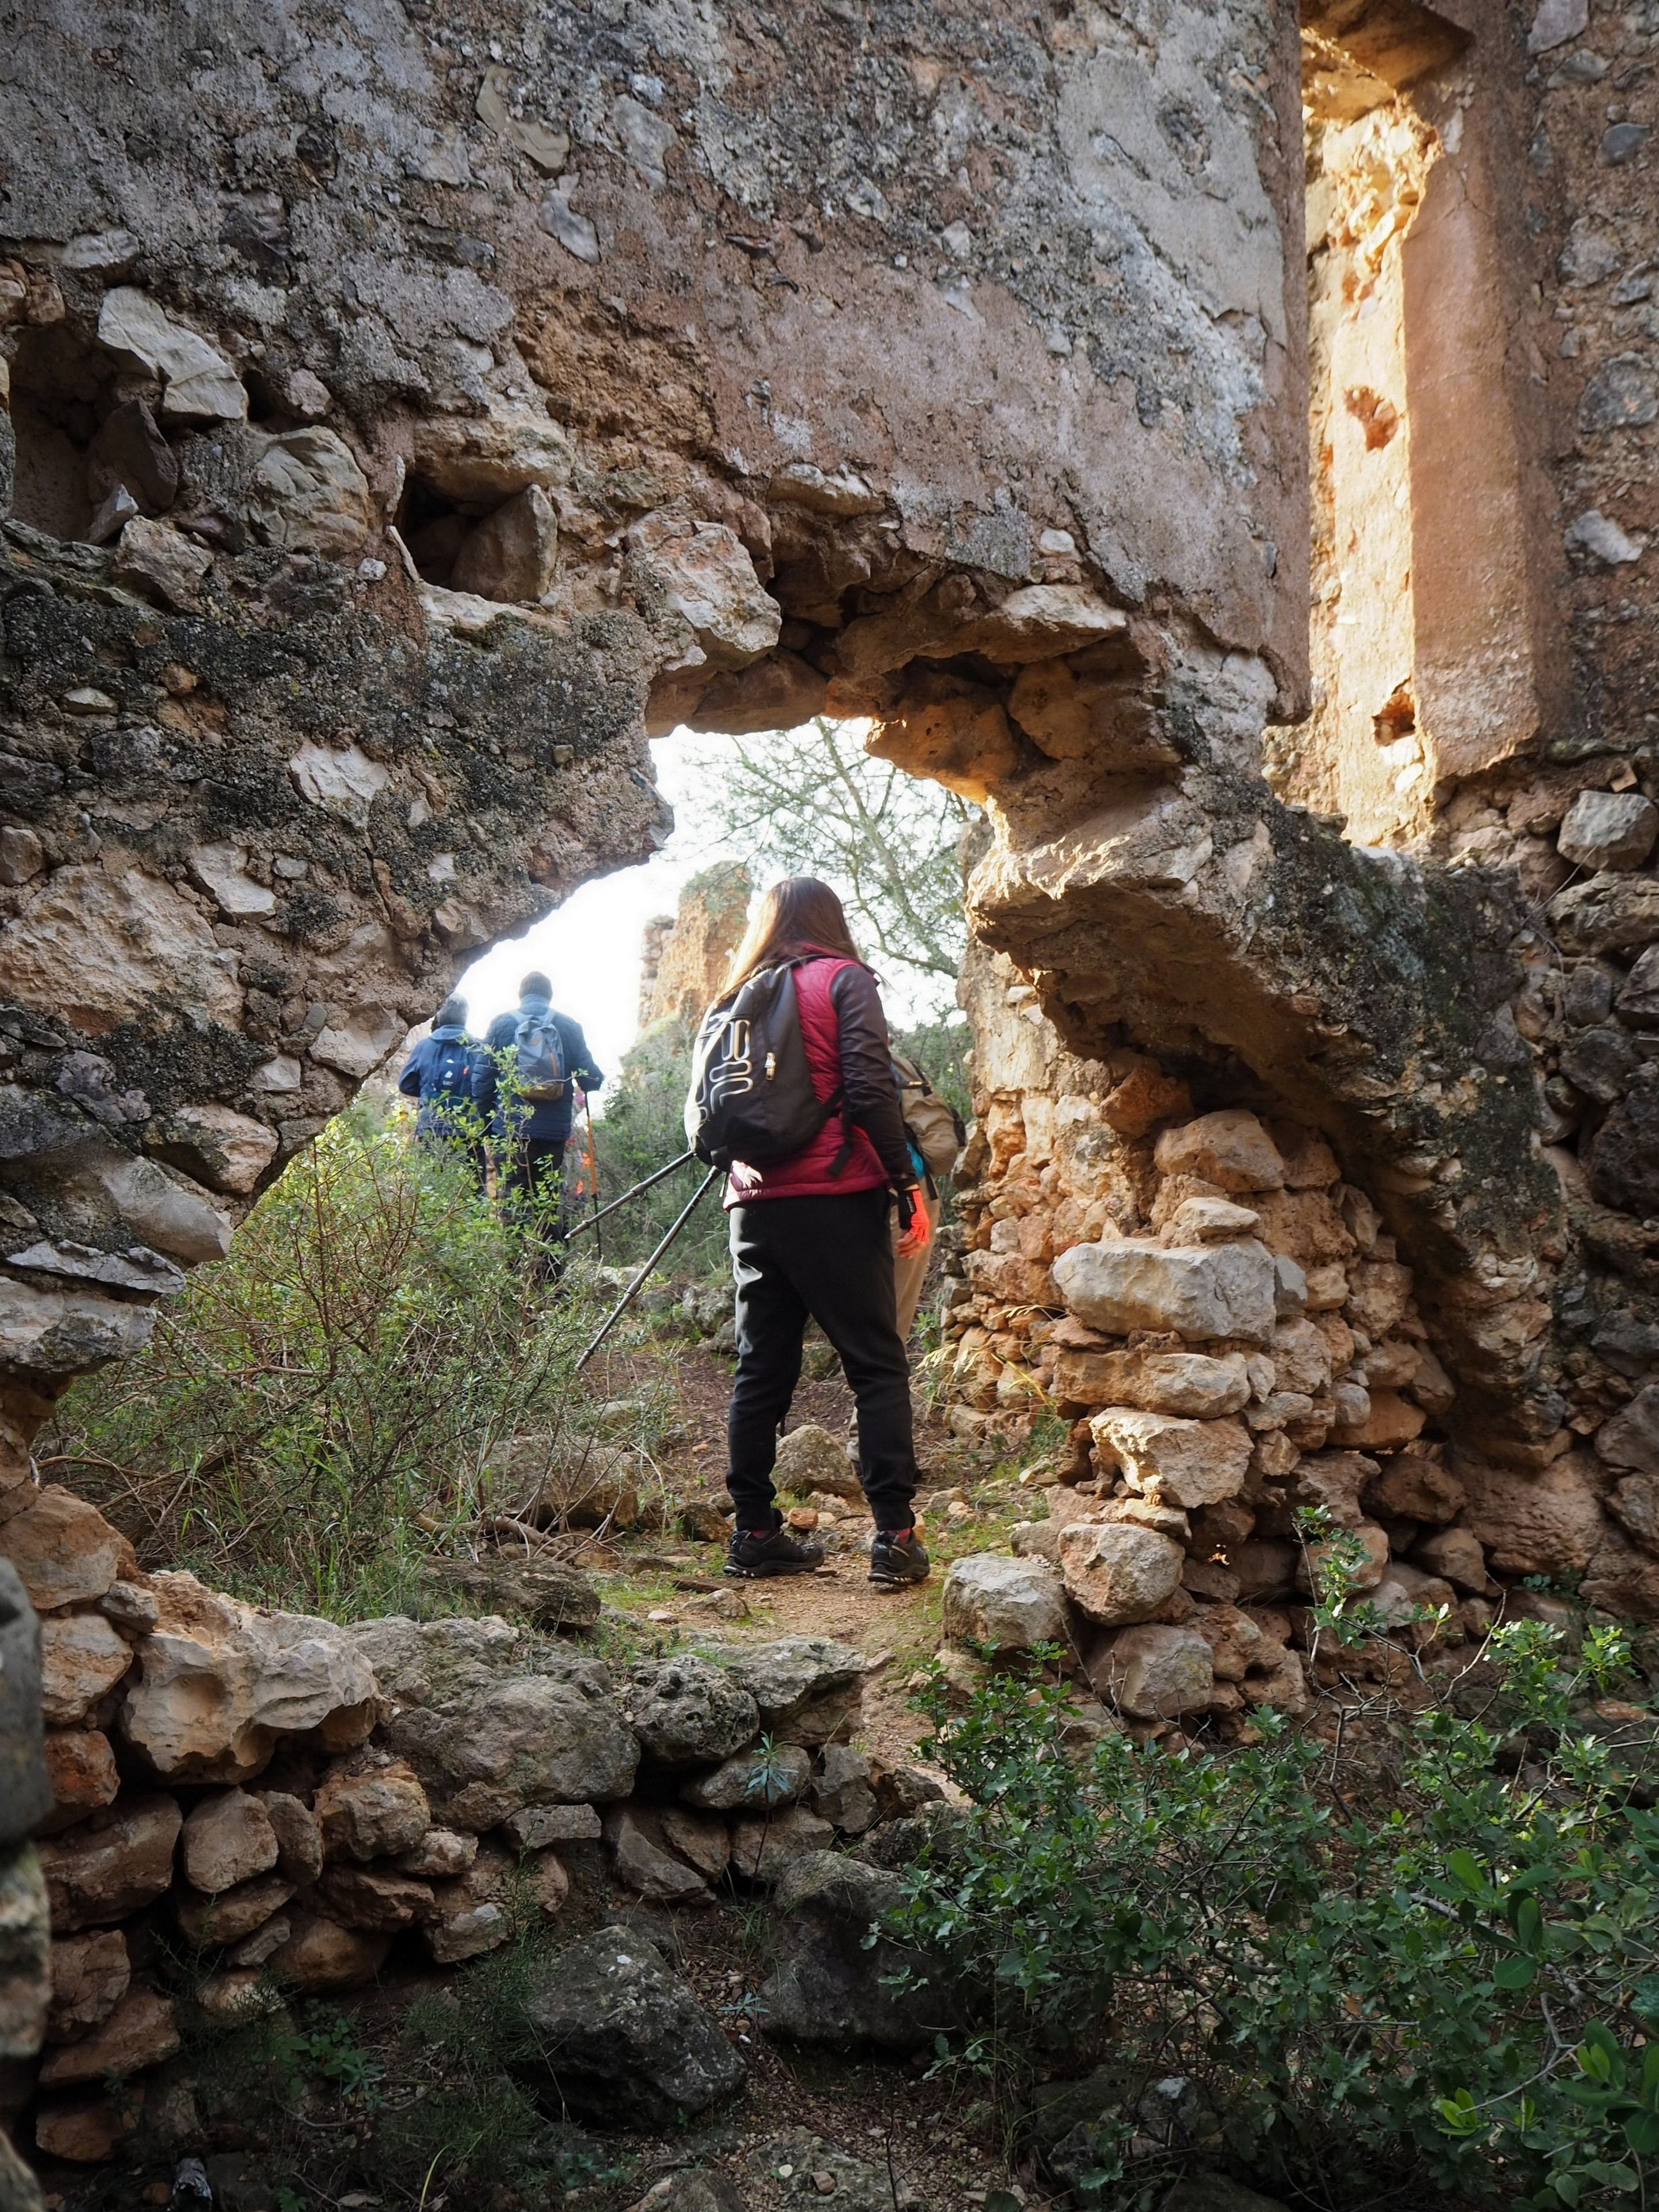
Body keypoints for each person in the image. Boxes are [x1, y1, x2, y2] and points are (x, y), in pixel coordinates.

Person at [714, 877, 933, 1589]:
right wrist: (904, 1182)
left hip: (751, 1200)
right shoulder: (844, 977)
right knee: (875, 1362)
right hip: (835, 1195)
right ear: (830, 919)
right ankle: (894, 1537)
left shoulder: (733, 996)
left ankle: (754, 1533)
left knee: (760, 1369)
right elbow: (869, 1089)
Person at [472, 971, 603, 1278]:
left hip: (511, 1132)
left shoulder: (502, 1024)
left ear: (521, 995)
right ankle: (551, 1279)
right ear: (550, 996)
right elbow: (592, 1079)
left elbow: (482, 1081)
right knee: (547, 1200)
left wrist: (489, 1125)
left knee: (512, 1203)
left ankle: (516, 1281)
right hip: (552, 1135)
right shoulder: (568, 1026)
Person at [398, 996, 484, 1183]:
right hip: (468, 1130)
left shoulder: (424, 1046)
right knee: (471, 1186)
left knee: (431, 1186)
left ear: (440, 1016)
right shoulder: (479, 1048)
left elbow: (406, 1084)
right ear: (465, 1017)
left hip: (432, 1129)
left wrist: (428, 1090)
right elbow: (488, 1087)